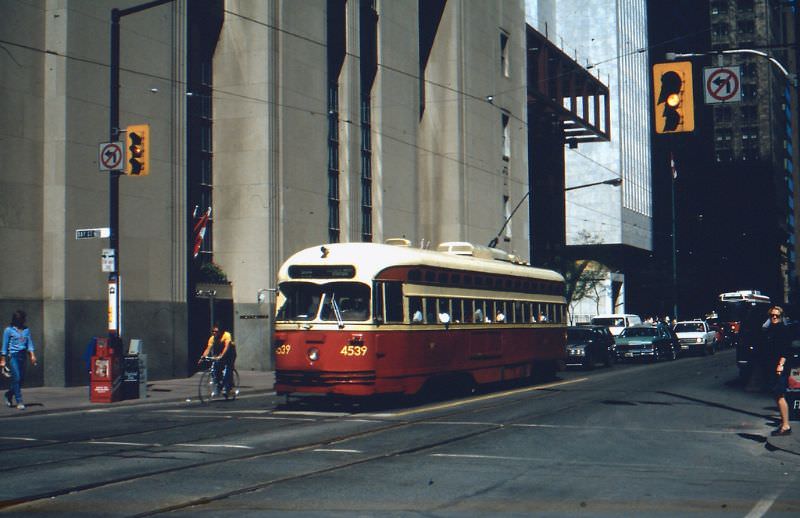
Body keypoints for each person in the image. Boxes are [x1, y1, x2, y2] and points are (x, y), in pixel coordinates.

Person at [1, 310, 37, 410]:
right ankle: (19, 401)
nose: (20, 321)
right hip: (13, 356)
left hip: (23, 356)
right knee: (16, 378)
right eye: (18, 320)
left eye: (22, 319)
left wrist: (32, 356)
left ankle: (8, 394)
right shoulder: (8, 330)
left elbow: (29, 344)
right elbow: (4, 345)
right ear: (15, 320)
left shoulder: (26, 330)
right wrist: (3, 360)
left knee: (21, 380)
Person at [767, 306, 794, 436]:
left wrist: (781, 365)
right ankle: (783, 422)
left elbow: (785, 349)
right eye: (772, 315)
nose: (774, 317)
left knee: (780, 395)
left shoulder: (783, 330)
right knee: (776, 395)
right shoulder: (771, 329)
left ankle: (786, 426)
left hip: (780, 367)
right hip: (772, 366)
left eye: (777, 316)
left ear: (781, 317)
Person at [198, 323, 236, 398]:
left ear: (220, 331)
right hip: (219, 353)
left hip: (230, 353)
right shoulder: (212, 338)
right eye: (213, 331)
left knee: (227, 369)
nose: (214, 333)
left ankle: (227, 387)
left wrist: (221, 356)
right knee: (215, 369)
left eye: (216, 331)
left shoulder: (226, 335)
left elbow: (226, 347)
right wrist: (203, 357)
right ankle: (218, 386)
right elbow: (208, 348)